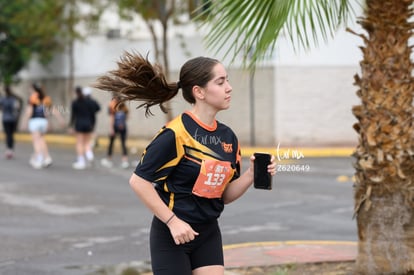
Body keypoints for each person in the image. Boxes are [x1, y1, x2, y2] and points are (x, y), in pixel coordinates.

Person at [95, 52, 276, 275]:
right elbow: (138, 181)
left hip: (208, 232)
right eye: (220, 82)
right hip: (173, 234)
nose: (229, 87)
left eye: (227, 80)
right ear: (198, 92)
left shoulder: (228, 138)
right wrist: (173, 222)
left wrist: (250, 175)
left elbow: (224, 195)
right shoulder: (176, 133)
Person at [22, 83, 64, 169]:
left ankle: (39, 159)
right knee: (41, 140)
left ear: (33, 89)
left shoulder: (32, 98)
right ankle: (47, 157)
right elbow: (52, 110)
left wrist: (24, 122)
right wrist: (60, 119)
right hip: (43, 121)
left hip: (34, 121)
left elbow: (29, 112)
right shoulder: (46, 98)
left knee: (36, 141)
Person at [69, 86, 101, 169]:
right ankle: (90, 156)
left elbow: (73, 116)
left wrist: (70, 126)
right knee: (87, 142)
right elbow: (96, 109)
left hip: (79, 124)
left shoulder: (75, 103)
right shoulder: (89, 102)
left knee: (79, 143)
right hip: (88, 124)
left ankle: (81, 161)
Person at [100, 96, 130, 169]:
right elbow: (127, 117)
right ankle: (125, 160)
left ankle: (109, 159)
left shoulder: (113, 106)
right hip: (123, 127)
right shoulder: (124, 107)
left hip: (115, 127)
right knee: (123, 143)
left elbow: (112, 118)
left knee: (111, 143)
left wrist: (111, 129)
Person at [0, 85, 23, 159]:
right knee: (11, 135)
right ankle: (11, 149)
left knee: (8, 135)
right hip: (13, 119)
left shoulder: (3, 99)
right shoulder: (13, 99)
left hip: (6, 119)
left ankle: (8, 150)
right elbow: (17, 107)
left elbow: (1, 108)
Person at [82, 86, 101, 156]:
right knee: (92, 130)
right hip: (92, 119)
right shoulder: (93, 101)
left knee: (88, 133)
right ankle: (93, 141)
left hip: (86, 119)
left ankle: (92, 142)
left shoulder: (83, 102)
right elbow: (98, 108)